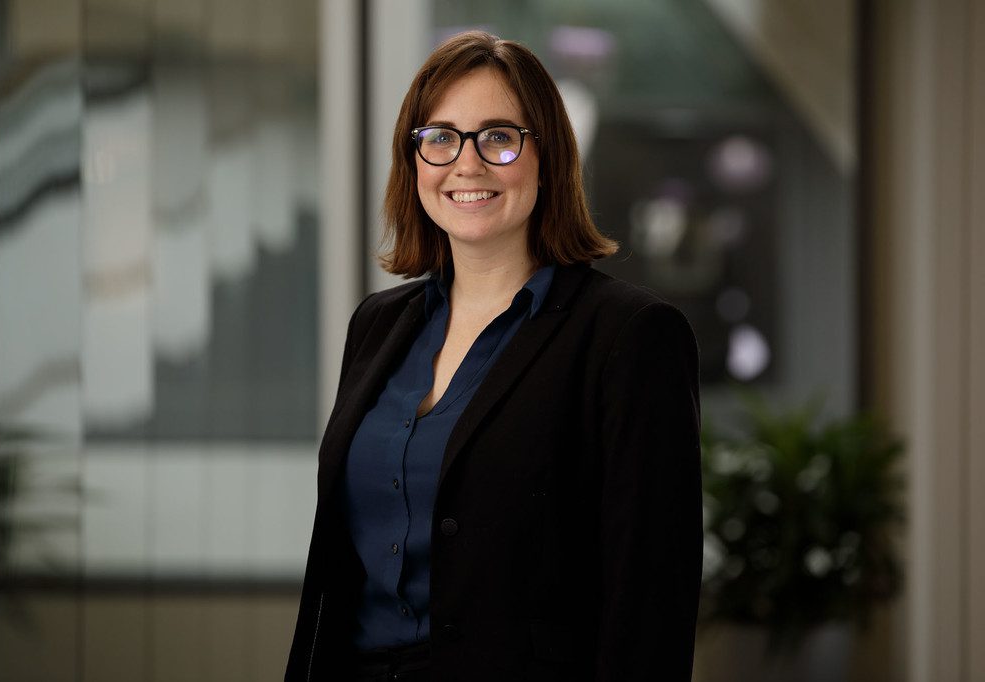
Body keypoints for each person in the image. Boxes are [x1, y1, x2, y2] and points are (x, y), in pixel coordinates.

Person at [286, 30, 701, 682]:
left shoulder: (630, 338)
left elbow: (651, 601)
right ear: (415, 159)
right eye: (441, 137)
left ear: (549, 158)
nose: (466, 164)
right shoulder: (377, 326)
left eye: (498, 137)